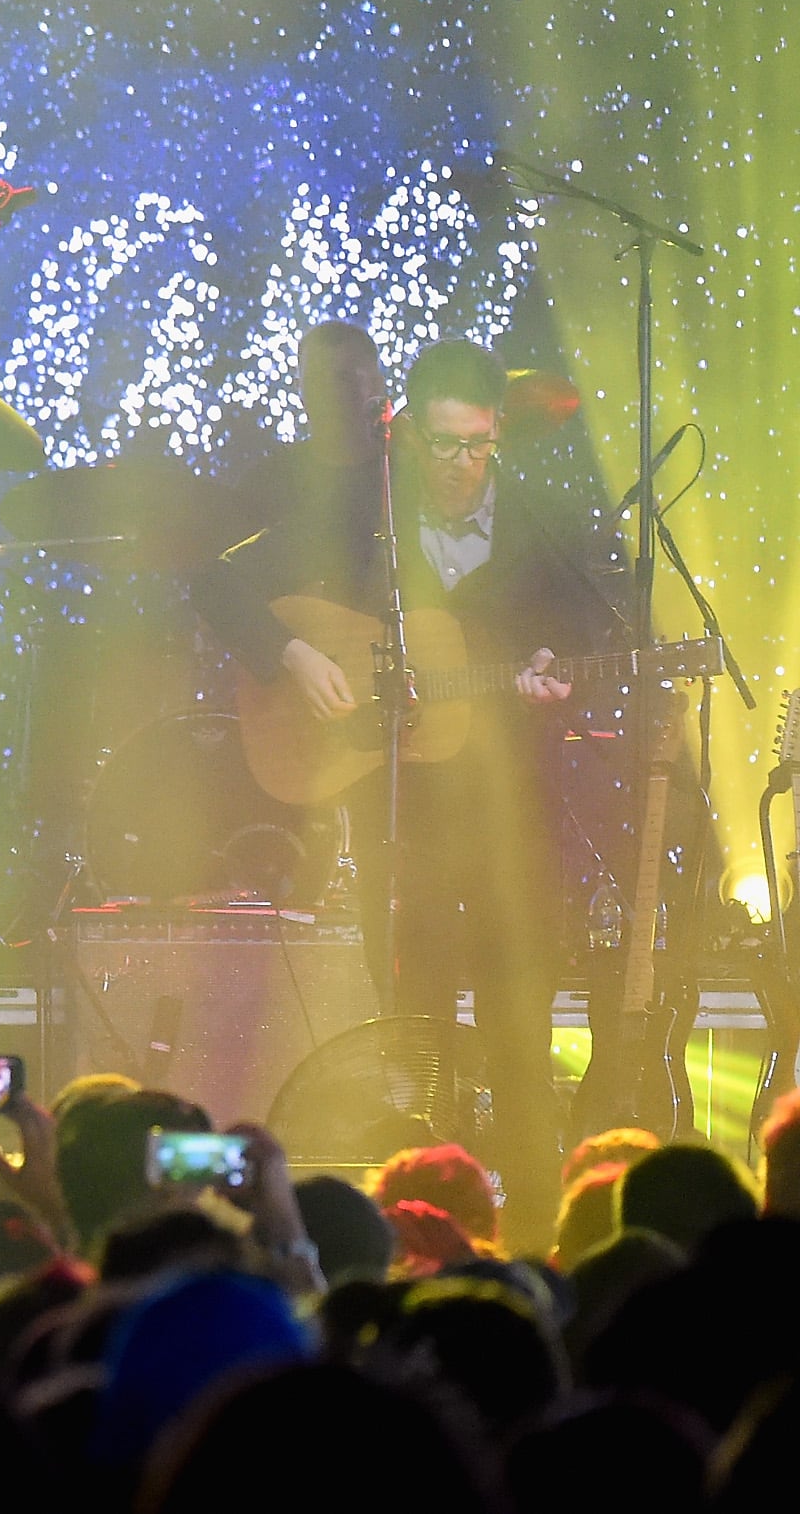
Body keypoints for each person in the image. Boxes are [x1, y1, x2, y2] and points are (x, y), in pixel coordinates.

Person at [199, 338, 608, 1222]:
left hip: (513, 824)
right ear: (407, 435)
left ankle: (535, 1225)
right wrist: (293, 652)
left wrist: (553, 667)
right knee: (414, 1030)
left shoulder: (544, 521)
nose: (464, 464)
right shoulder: (355, 505)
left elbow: (586, 628)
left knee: (517, 1029)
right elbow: (214, 579)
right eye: (447, 445)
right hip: (400, 822)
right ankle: (418, 1225)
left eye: (480, 445)